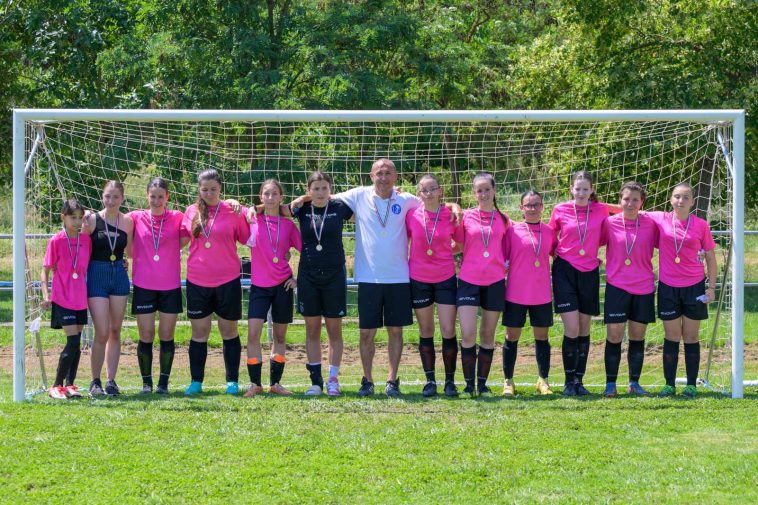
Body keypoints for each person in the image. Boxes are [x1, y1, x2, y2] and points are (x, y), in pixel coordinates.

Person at [329, 158, 460, 397]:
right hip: (368, 277)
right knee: (366, 333)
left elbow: (433, 202)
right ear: (371, 175)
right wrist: (297, 200)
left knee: (395, 331)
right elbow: (324, 196)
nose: (383, 177)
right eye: (379, 173)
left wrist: (454, 205)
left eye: (388, 173)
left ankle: (392, 380)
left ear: (395, 177)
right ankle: (367, 380)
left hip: (399, 278)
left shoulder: (407, 200)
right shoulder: (358, 195)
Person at [182, 169, 250, 396]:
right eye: (204, 189)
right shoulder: (191, 211)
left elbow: (246, 236)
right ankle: (196, 382)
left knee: (228, 331)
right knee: (199, 332)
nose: (209, 193)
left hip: (228, 280)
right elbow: (180, 238)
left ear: (221, 188)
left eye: (213, 189)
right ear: (198, 190)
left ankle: (232, 381)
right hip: (197, 280)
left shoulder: (232, 209)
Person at [647, 183, 717, 397]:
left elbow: (711, 259)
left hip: (694, 287)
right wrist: (598, 206)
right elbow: (632, 208)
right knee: (671, 336)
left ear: (692, 202)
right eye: (677, 196)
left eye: (686, 197)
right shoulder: (660, 219)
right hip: (668, 287)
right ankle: (669, 384)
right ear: (670, 199)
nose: (681, 201)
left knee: (691, 336)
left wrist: (711, 288)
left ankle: (691, 385)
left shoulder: (701, 225)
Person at [549, 171, 610, 396]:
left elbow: (607, 232)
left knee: (584, 328)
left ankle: (579, 381)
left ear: (592, 190)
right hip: (565, 270)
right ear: (571, 190)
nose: (581, 193)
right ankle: (567, 382)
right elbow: (550, 237)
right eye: (578, 189)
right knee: (572, 328)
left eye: (586, 189)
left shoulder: (601, 209)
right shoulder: (560, 209)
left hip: (590, 271)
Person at [292, 171, 353, 396]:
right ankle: (316, 382)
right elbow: (274, 206)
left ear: (330, 189)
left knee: (334, 331)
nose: (320, 192)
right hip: (308, 276)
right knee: (312, 330)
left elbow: (366, 212)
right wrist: (300, 199)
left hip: (334, 275)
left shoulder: (339, 207)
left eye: (324, 188)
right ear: (309, 190)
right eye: (315, 188)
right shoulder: (301, 208)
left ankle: (333, 379)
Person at [128, 177, 189, 394]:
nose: (156, 201)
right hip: (144, 285)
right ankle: (146, 383)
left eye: (160, 197)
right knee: (145, 335)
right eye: (152, 196)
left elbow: (191, 229)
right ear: (147, 196)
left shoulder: (177, 217)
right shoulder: (135, 217)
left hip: (169, 286)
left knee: (166, 335)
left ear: (167, 197)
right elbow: (110, 215)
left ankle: (163, 384)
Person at [452, 172, 510, 397]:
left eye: (487, 189)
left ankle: (482, 385)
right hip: (468, 281)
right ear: (474, 193)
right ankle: (468, 385)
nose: (483, 194)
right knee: (468, 334)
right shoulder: (465, 217)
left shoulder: (504, 220)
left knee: (487, 335)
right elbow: (456, 244)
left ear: (494, 191)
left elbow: (511, 248)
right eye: (479, 190)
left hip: (495, 282)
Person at [599, 182, 658, 397]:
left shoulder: (651, 223)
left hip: (643, 287)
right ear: (619, 201)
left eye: (635, 199)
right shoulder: (609, 223)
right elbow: (590, 242)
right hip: (617, 286)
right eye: (626, 199)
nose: (630, 203)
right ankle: (610, 384)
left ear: (642, 202)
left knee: (637, 336)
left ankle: (634, 383)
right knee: (614, 335)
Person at [243, 179, 301, 397]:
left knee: (279, 337)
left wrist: (299, 279)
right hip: (259, 287)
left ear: (281, 197)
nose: (270, 197)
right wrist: (251, 209)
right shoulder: (252, 219)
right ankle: (254, 383)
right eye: (266, 194)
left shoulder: (288, 225)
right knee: (253, 334)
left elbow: (307, 251)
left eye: (274, 194)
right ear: (260, 197)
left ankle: (275, 383)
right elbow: (233, 207)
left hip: (283, 285)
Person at [406, 174, 462, 397]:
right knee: (426, 330)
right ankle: (430, 381)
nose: (428, 193)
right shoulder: (411, 215)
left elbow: (459, 244)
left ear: (440, 191)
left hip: (445, 277)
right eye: (424, 190)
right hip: (419, 278)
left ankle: (450, 382)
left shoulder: (451, 215)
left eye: (432, 189)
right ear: (419, 194)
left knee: (448, 330)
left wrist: (444, 254)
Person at [501, 190, 557, 396]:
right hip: (515, 292)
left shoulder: (550, 231)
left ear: (542, 207)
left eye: (536, 204)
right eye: (528, 205)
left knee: (542, 337)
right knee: (511, 336)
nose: (532, 208)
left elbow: (558, 253)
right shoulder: (512, 232)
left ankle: (543, 380)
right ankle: (508, 381)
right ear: (521, 208)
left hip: (541, 293)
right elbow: (502, 259)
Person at [84, 180, 133, 396]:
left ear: (122, 198)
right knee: (101, 331)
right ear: (102, 197)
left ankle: (111, 380)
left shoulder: (128, 222)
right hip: (97, 274)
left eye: (115, 197)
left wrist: (126, 263)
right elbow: (79, 246)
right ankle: (95, 381)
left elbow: (129, 252)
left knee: (115, 330)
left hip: (119, 276)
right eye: (107, 196)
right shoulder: (92, 220)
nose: (111, 201)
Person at [40, 199, 92, 399]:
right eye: (73, 217)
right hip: (62, 298)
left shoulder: (86, 240)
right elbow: (44, 271)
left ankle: (70, 385)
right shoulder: (56, 240)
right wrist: (45, 296)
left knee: (77, 343)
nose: (77, 222)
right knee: (71, 342)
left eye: (80, 217)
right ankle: (55, 386)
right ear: (63, 217)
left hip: (80, 299)